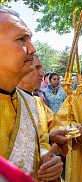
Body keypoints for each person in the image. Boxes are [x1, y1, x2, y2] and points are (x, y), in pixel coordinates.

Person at [0, 5, 63, 181]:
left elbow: (38, 146)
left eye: (30, 40)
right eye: (21, 39)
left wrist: (46, 161)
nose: (32, 49)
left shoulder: (29, 103)